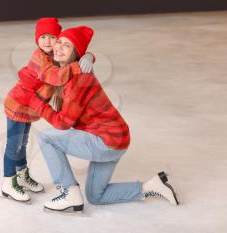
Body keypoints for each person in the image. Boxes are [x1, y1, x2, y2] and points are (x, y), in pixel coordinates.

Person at [20, 26, 179, 211]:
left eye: (67, 46)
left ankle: (68, 192)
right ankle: (152, 187)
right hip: (116, 139)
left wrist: (37, 104)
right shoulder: (69, 72)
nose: (60, 47)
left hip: (106, 141)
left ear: (75, 54)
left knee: (46, 137)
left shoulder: (78, 81)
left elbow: (63, 123)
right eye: (60, 42)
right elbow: (46, 60)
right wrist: (89, 56)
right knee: (96, 196)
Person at [2, 18, 95, 202]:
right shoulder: (40, 57)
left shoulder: (55, 55)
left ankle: (21, 176)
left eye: (52, 37)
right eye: (43, 36)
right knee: (14, 145)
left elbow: (73, 50)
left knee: (23, 143)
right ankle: (8, 182)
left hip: (29, 108)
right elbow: (54, 76)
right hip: (18, 104)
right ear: (37, 39)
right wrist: (77, 66)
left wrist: (88, 56)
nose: (46, 41)